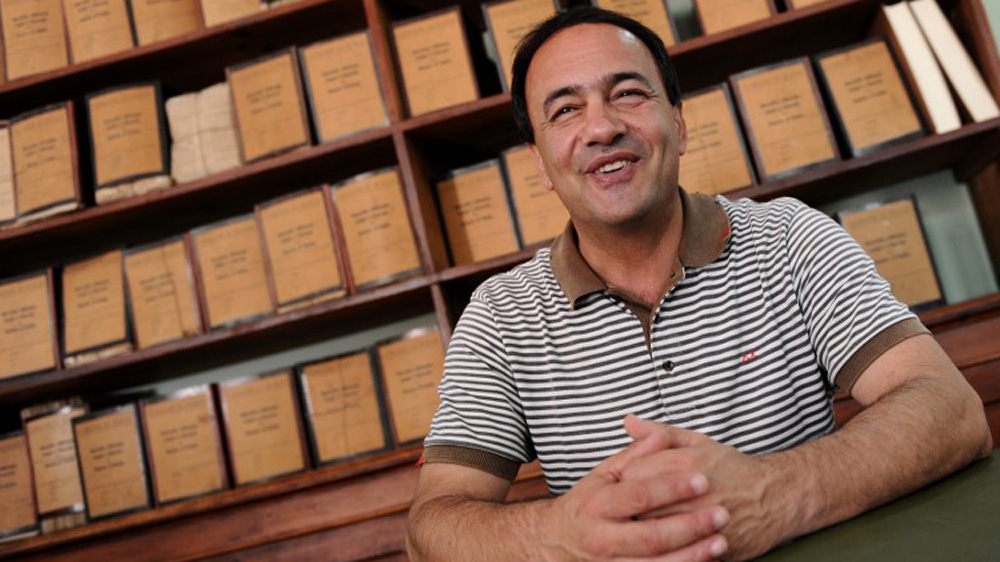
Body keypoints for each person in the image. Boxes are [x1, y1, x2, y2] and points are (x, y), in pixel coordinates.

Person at [406, 7, 993, 561]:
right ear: (540, 162)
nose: (602, 127)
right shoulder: (500, 316)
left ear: (679, 124)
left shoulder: (791, 238)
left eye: (628, 93)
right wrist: (558, 535)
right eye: (565, 110)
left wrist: (770, 494)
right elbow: (429, 530)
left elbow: (951, 410)